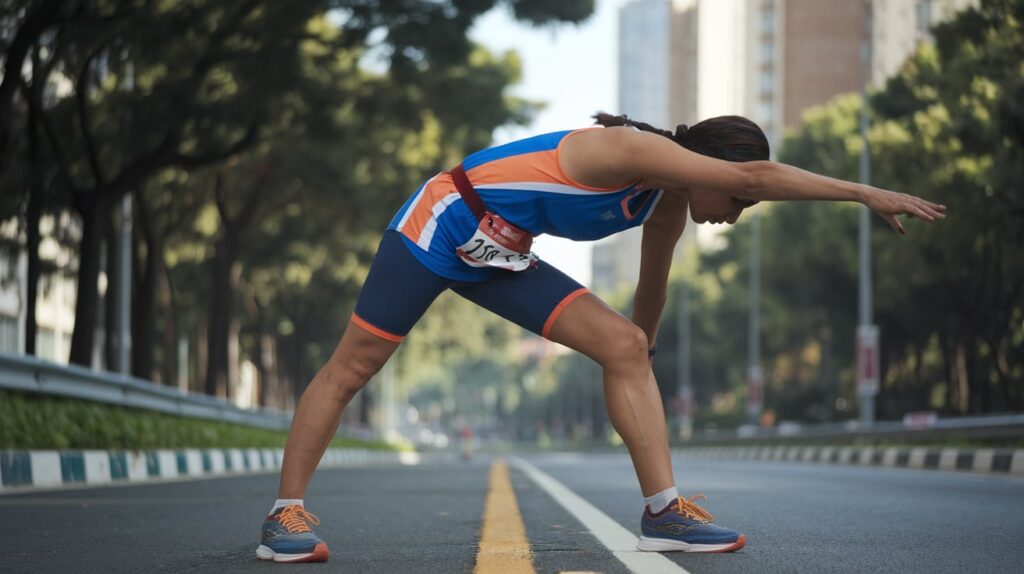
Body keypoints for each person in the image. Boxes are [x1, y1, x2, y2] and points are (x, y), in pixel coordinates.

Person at [255, 113, 946, 563]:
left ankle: (663, 511)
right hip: (444, 220)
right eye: (739, 202)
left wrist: (638, 351)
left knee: (620, 343)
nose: (736, 213)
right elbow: (752, 174)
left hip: (503, 252)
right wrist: (863, 193)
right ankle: (286, 518)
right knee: (353, 368)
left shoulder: (667, 202)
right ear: (708, 169)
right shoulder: (631, 152)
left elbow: (652, 290)